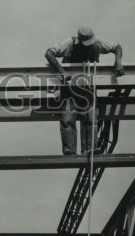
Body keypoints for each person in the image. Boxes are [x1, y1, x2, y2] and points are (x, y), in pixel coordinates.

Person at [45, 26, 125, 155]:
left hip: (88, 85)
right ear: (80, 40)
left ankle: (90, 148)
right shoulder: (70, 43)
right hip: (70, 86)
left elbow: (117, 47)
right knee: (68, 118)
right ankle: (69, 149)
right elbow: (49, 53)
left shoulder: (98, 42)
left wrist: (118, 62)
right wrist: (63, 72)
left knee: (90, 117)